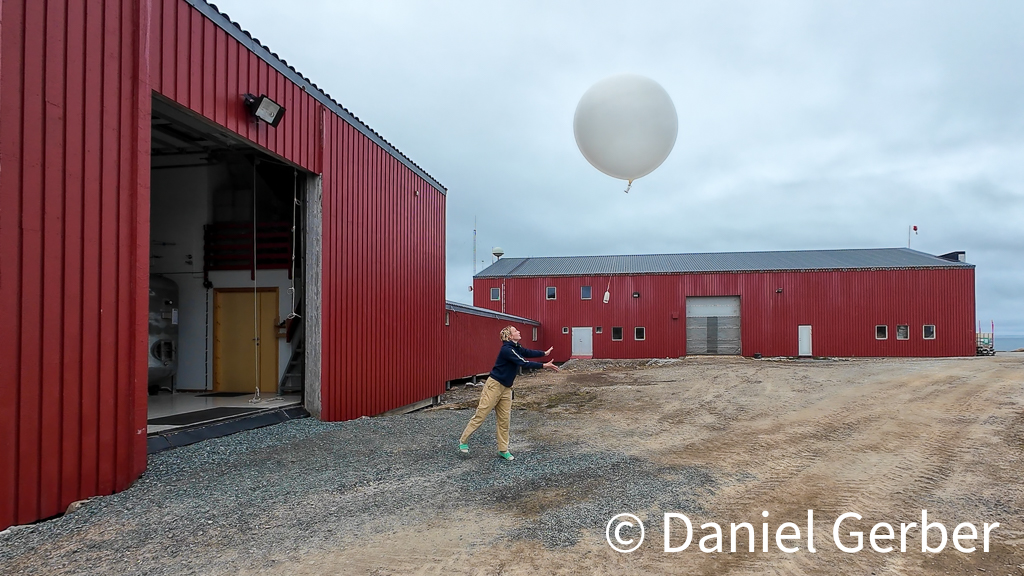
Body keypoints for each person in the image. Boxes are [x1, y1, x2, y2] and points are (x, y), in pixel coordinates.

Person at [458, 325, 559, 461]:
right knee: (481, 414)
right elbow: (523, 362)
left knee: (504, 420)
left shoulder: (516, 347)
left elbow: (526, 352)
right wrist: (544, 365)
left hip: (506, 388)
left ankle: (503, 449)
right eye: (515, 331)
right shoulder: (507, 350)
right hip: (494, 386)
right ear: (510, 336)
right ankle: (463, 440)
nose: (518, 331)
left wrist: (544, 354)